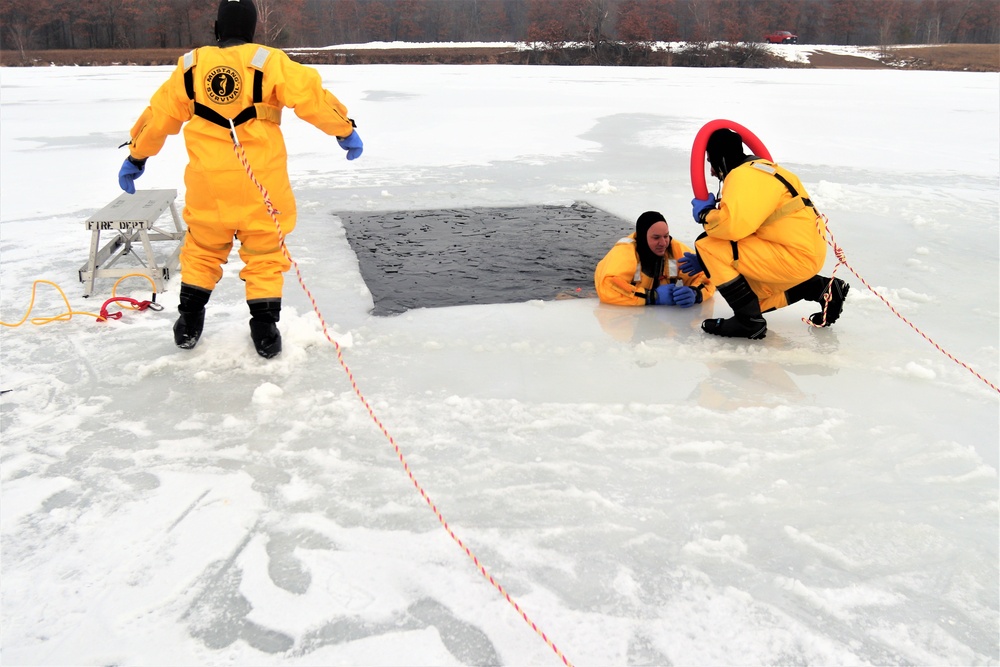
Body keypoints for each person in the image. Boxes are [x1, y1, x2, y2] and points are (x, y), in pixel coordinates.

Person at [116, 0, 363, 359]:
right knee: (264, 254)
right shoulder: (270, 62)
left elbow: (158, 118)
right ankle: (264, 327)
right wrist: (344, 130)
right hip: (262, 184)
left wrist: (137, 155)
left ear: (217, 28)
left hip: (209, 185)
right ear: (253, 29)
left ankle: (188, 321)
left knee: (202, 250)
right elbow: (311, 98)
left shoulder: (191, 67)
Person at [683, 128, 848, 339]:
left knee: (708, 245)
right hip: (804, 253)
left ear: (720, 159)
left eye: (710, 162)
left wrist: (705, 213)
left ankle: (748, 321)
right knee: (755, 298)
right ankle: (821, 289)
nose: (712, 172)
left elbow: (731, 226)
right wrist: (706, 264)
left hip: (792, 256)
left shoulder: (742, 175)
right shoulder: (766, 170)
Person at [595, 211, 714, 307]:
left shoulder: (674, 249)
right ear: (643, 237)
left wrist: (695, 293)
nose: (663, 243)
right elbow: (607, 287)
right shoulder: (625, 252)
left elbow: (708, 276)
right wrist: (653, 296)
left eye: (666, 236)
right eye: (656, 237)